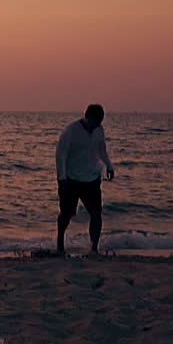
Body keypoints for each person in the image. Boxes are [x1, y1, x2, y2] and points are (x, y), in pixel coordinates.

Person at [55, 104, 115, 255]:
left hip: (92, 179)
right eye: (95, 121)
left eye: (100, 121)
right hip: (71, 179)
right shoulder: (71, 131)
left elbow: (102, 150)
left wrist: (109, 166)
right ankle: (60, 243)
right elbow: (60, 154)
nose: (97, 125)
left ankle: (94, 248)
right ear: (87, 117)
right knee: (66, 214)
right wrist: (61, 178)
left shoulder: (99, 130)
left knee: (96, 213)